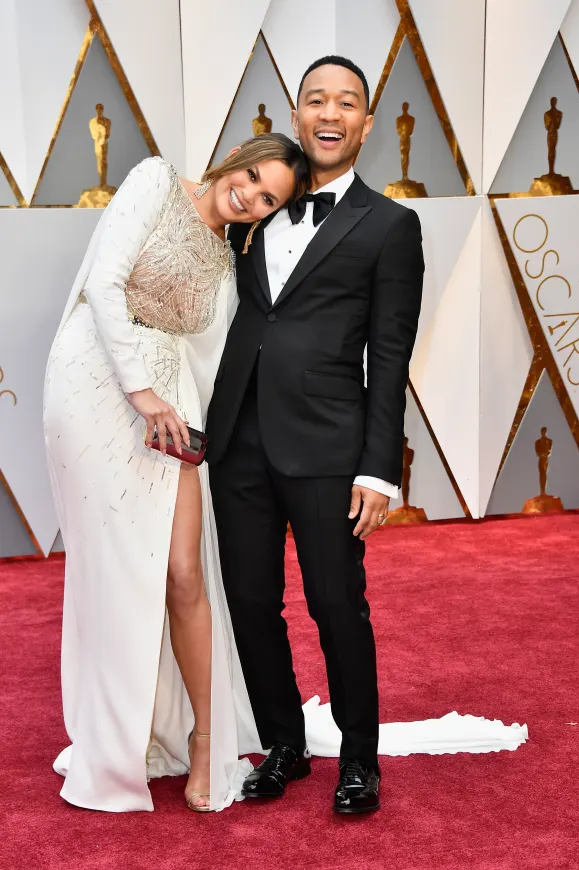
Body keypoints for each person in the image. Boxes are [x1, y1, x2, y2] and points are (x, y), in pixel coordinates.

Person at [43, 134, 309, 813]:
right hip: (93, 381)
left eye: (267, 199)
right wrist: (141, 393)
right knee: (111, 570)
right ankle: (113, 742)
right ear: (237, 156)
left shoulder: (229, 260)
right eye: (252, 176)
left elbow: (213, 358)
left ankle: (202, 738)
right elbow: (103, 281)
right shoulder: (156, 180)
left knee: (184, 572)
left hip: (171, 409)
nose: (249, 195)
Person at [207, 56, 424, 814]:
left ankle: (359, 761)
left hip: (330, 449)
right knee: (249, 600)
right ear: (295, 115)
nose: (330, 113)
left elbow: (390, 356)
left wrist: (379, 469)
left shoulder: (392, 226)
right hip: (236, 440)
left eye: (347, 102)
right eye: (316, 100)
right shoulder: (257, 204)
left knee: (336, 604)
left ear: (366, 123)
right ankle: (284, 745)